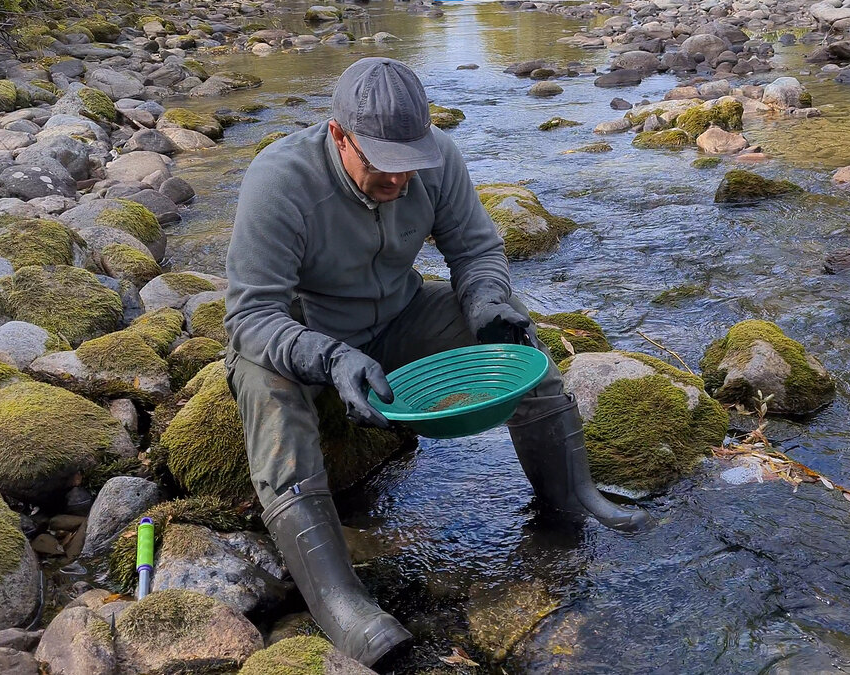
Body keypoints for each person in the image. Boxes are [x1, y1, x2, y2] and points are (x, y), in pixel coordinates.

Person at [224, 57, 654, 667]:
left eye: (409, 164)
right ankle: (342, 602)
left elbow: (477, 249)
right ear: (337, 134)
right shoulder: (280, 182)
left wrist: (486, 305)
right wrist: (330, 357)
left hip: (400, 317)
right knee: (266, 388)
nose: (399, 181)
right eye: (382, 164)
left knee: (515, 329)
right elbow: (250, 317)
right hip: (306, 340)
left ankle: (572, 496)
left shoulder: (439, 158)